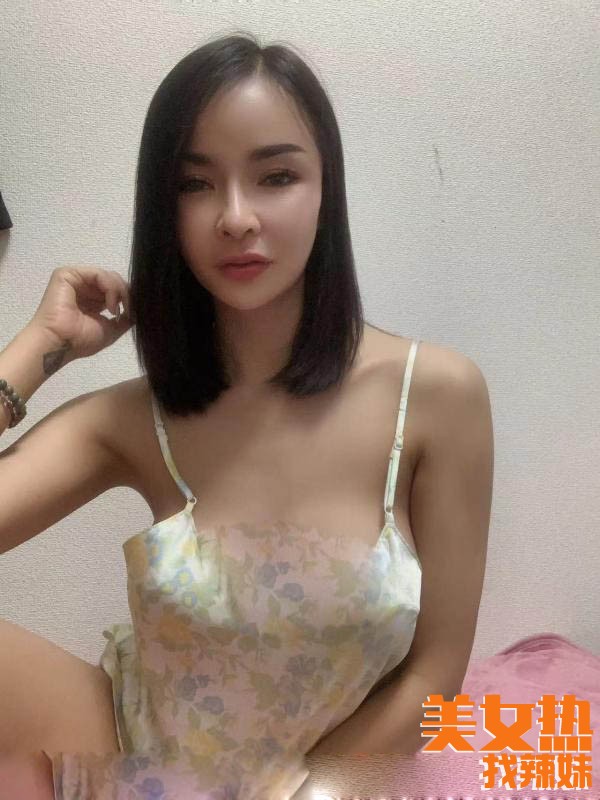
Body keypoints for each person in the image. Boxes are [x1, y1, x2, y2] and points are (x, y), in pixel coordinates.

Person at [0, 31, 494, 800]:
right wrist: (38, 349)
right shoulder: (132, 422)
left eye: (276, 176)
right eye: (196, 184)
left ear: (325, 189)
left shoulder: (435, 397)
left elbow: (436, 674)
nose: (235, 216)